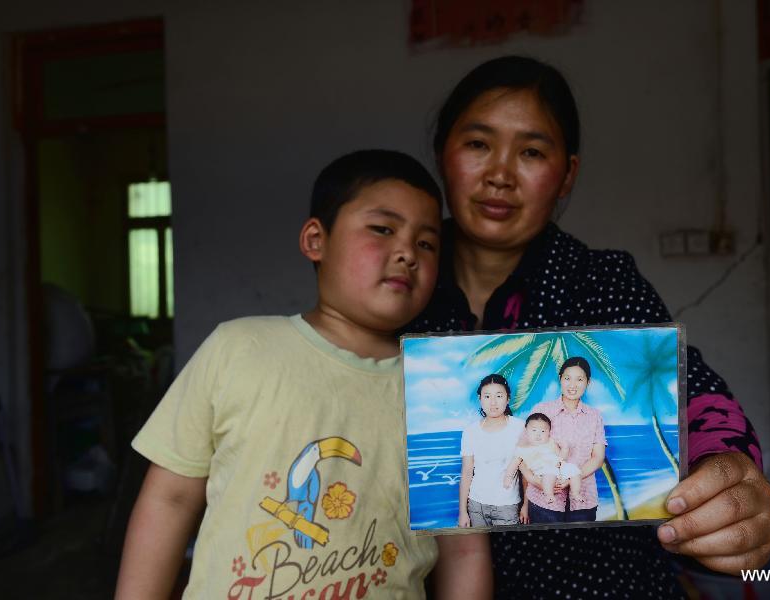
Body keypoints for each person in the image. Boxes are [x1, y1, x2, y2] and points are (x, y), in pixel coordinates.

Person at [409, 56, 770, 597]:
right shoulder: (396, 284)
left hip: (602, 584)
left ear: (567, 175)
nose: (501, 174)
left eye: (532, 151)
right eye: (478, 144)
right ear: (443, 152)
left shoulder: (601, 282)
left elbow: (690, 397)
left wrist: (728, 475)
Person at [115, 150, 491, 599]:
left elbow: (463, 551)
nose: (408, 253)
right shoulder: (238, 348)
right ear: (316, 240)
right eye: (383, 229)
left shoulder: (442, 391)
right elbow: (170, 499)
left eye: (427, 243)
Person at [521, 358, 606, 521]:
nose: (572, 385)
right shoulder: (541, 410)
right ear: (560, 378)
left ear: (588, 382)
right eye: (567, 378)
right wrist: (532, 487)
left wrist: (573, 479)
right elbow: (524, 454)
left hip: (583, 499)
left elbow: (598, 458)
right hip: (542, 500)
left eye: (579, 379)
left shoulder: (594, 416)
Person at [459, 374, 525, 527]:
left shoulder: (520, 427)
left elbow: (526, 472)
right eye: (487, 396)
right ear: (480, 398)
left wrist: (526, 506)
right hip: (476, 506)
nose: (493, 402)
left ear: (508, 398)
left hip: (507, 506)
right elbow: (467, 472)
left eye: (499, 396)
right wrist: (462, 511)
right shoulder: (470, 431)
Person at [503, 412, 584, 506]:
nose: (538, 435)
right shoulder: (522, 449)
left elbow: (561, 458)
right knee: (549, 472)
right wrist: (508, 477)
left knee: (574, 470)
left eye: (543, 431)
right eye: (534, 430)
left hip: (559, 468)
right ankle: (548, 494)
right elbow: (513, 464)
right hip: (543, 472)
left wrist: (565, 449)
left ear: (549, 432)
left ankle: (575, 493)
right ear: (526, 431)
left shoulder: (551, 442)